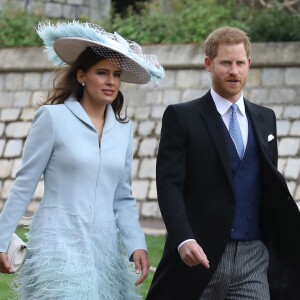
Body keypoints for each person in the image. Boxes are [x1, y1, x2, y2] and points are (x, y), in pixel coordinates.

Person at [0, 21, 164, 299]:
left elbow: (122, 197)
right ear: (81, 76)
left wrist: (137, 244)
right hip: (57, 245)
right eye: (102, 73)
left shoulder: (124, 128)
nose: (111, 81)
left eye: (116, 74)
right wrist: (1, 240)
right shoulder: (53, 118)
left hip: (106, 251)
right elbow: (24, 184)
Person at [146, 26, 300, 300]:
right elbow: (169, 185)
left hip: (253, 255)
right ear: (209, 63)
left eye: (240, 63)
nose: (234, 71)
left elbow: (266, 183)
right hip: (200, 254)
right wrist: (183, 238)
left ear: (249, 64)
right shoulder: (182, 117)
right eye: (226, 63)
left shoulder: (266, 118)